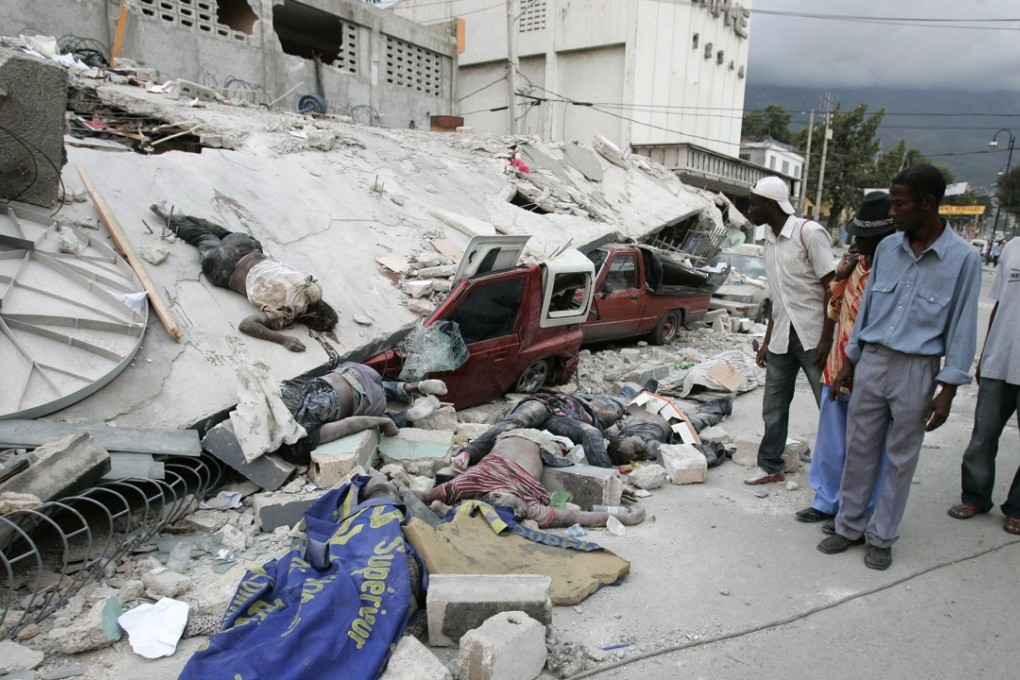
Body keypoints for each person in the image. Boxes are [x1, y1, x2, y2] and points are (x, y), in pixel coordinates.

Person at [818, 165, 981, 570]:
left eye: (899, 204)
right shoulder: (888, 248)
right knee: (860, 449)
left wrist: (947, 389)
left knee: (900, 457)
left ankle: (882, 536)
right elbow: (868, 307)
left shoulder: (963, 259)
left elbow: (962, 326)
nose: (892, 213)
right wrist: (850, 359)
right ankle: (849, 526)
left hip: (917, 369)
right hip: (872, 361)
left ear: (927, 203)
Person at [796, 193, 896, 524]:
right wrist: (826, 340)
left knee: (869, 445)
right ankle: (826, 500)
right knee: (831, 437)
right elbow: (834, 306)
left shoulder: (895, 269)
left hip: (873, 369)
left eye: (865, 236)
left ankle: (859, 510)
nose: (857, 241)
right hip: (839, 362)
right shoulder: (855, 263)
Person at [743, 176, 836, 485]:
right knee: (773, 406)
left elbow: (832, 288)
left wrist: (827, 338)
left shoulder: (809, 233)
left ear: (771, 205)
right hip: (782, 335)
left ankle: (838, 472)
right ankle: (770, 466)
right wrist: (767, 341)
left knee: (830, 406)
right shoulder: (769, 242)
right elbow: (778, 298)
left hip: (813, 336)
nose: (750, 210)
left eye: (754, 204)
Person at [151, 203, 337, 352]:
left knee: (221, 234)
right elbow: (247, 325)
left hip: (243, 245)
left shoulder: (307, 283)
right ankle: (168, 217)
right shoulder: (285, 313)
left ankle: (179, 216)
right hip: (222, 267)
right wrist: (283, 339)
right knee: (202, 238)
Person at [948, 236, 1020, 535]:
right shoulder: (1013, 248)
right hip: (999, 360)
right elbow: (1000, 304)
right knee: (983, 435)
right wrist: (986, 354)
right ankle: (975, 496)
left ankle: (1017, 508)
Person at [422, 434, 646, 529]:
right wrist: (627, 517)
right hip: (545, 443)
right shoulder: (530, 508)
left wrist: (437, 505)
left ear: (493, 496)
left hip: (511, 434)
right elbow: (578, 517)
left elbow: (427, 496)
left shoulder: (474, 480)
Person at [278, 362, 447, 462]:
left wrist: (383, 422)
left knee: (370, 418)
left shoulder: (298, 438)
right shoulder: (281, 391)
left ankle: (405, 416)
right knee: (360, 387)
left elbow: (348, 425)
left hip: (370, 402)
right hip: (354, 370)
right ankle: (412, 387)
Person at [450, 391, 625, 469]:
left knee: (591, 433)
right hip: (543, 403)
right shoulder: (579, 400)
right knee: (515, 422)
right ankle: (467, 453)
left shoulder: (595, 421)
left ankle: (607, 477)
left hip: (560, 421)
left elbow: (611, 420)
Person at [605, 386, 733, 464]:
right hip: (673, 421)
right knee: (702, 417)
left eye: (633, 447)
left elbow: (606, 434)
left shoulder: (619, 436)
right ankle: (725, 403)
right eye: (636, 455)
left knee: (629, 395)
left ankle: (644, 390)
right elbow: (677, 452)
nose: (638, 451)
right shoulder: (651, 447)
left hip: (654, 411)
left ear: (624, 438)